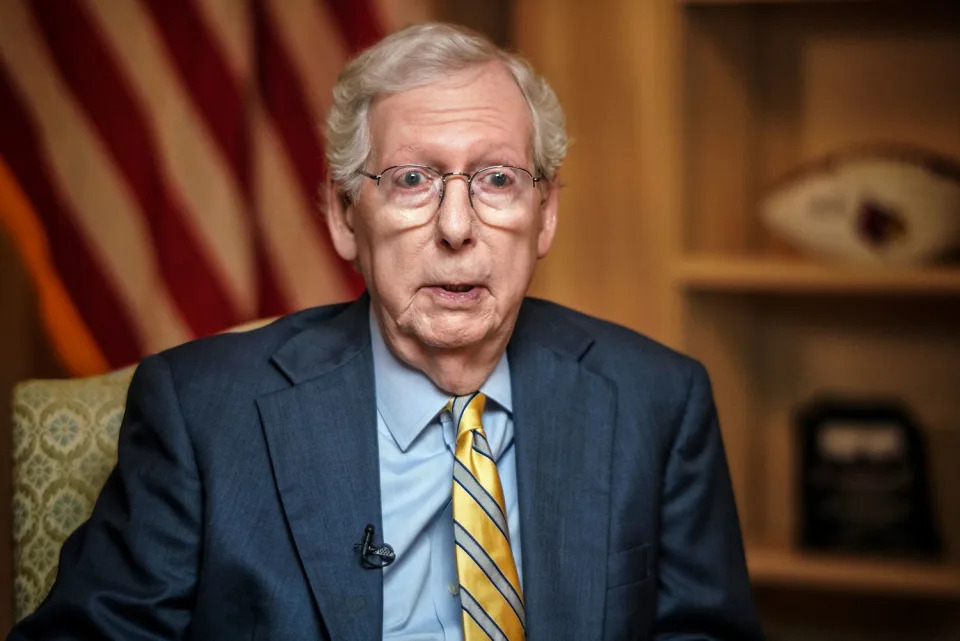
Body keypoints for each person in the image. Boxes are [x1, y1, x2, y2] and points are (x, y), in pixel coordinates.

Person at [10, 22, 763, 641]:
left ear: (547, 216)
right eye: (413, 180)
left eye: (497, 179)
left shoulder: (657, 402)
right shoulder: (203, 412)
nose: (458, 227)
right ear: (343, 217)